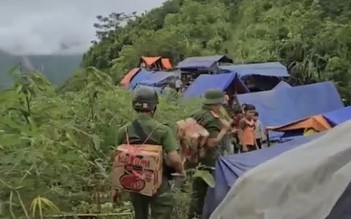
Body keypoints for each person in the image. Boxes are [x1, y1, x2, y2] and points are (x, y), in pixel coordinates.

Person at [114, 87, 185, 219]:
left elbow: (118, 160)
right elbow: (175, 159)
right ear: (154, 107)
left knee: (140, 214)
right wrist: (181, 172)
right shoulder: (163, 130)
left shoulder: (124, 131)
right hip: (158, 181)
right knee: (162, 212)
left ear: (134, 106)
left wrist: (116, 188)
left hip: (134, 180)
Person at [188, 89, 230, 219]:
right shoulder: (211, 119)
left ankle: (193, 215)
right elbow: (212, 143)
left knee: (196, 192)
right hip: (209, 161)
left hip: (193, 158)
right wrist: (224, 129)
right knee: (210, 192)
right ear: (216, 103)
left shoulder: (195, 114)